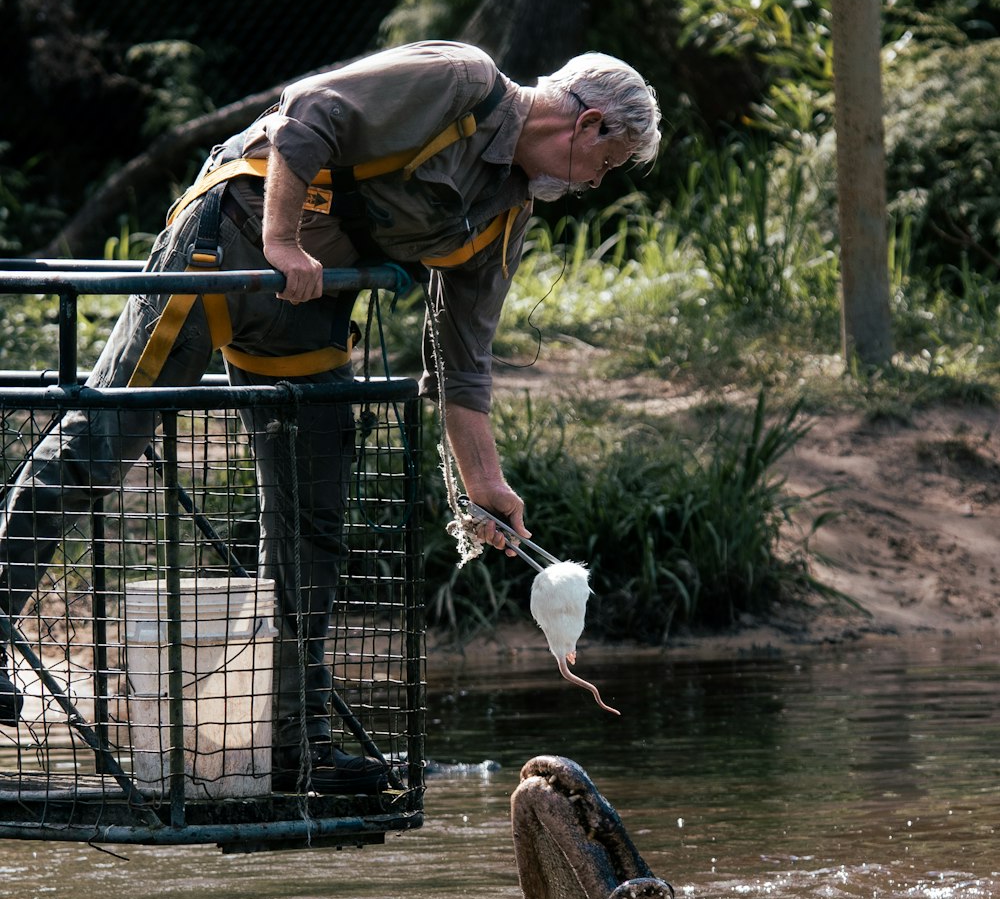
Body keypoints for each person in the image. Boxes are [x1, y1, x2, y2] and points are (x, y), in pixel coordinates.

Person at [0, 39, 661, 791]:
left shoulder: (506, 215)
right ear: (591, 125)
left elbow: (461, 360)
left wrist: (485, 485)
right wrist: (282, 240)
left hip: (311, 310)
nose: (592, 185)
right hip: (233, 239)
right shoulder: (461, 82)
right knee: (102, 443)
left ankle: (297, 746)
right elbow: (304, 119)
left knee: (312, 521)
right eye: (604, 168)